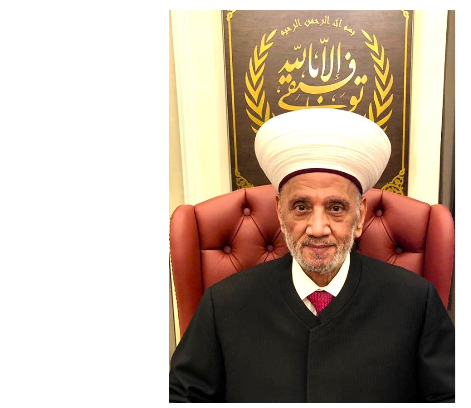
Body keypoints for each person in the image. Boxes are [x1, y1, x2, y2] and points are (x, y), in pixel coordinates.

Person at [169, 108, 455, 402]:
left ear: (360, 216)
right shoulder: (223, 304)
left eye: (336, 208)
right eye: (301, 207)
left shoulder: (416, 302)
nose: (318, 229)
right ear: (280, 213)